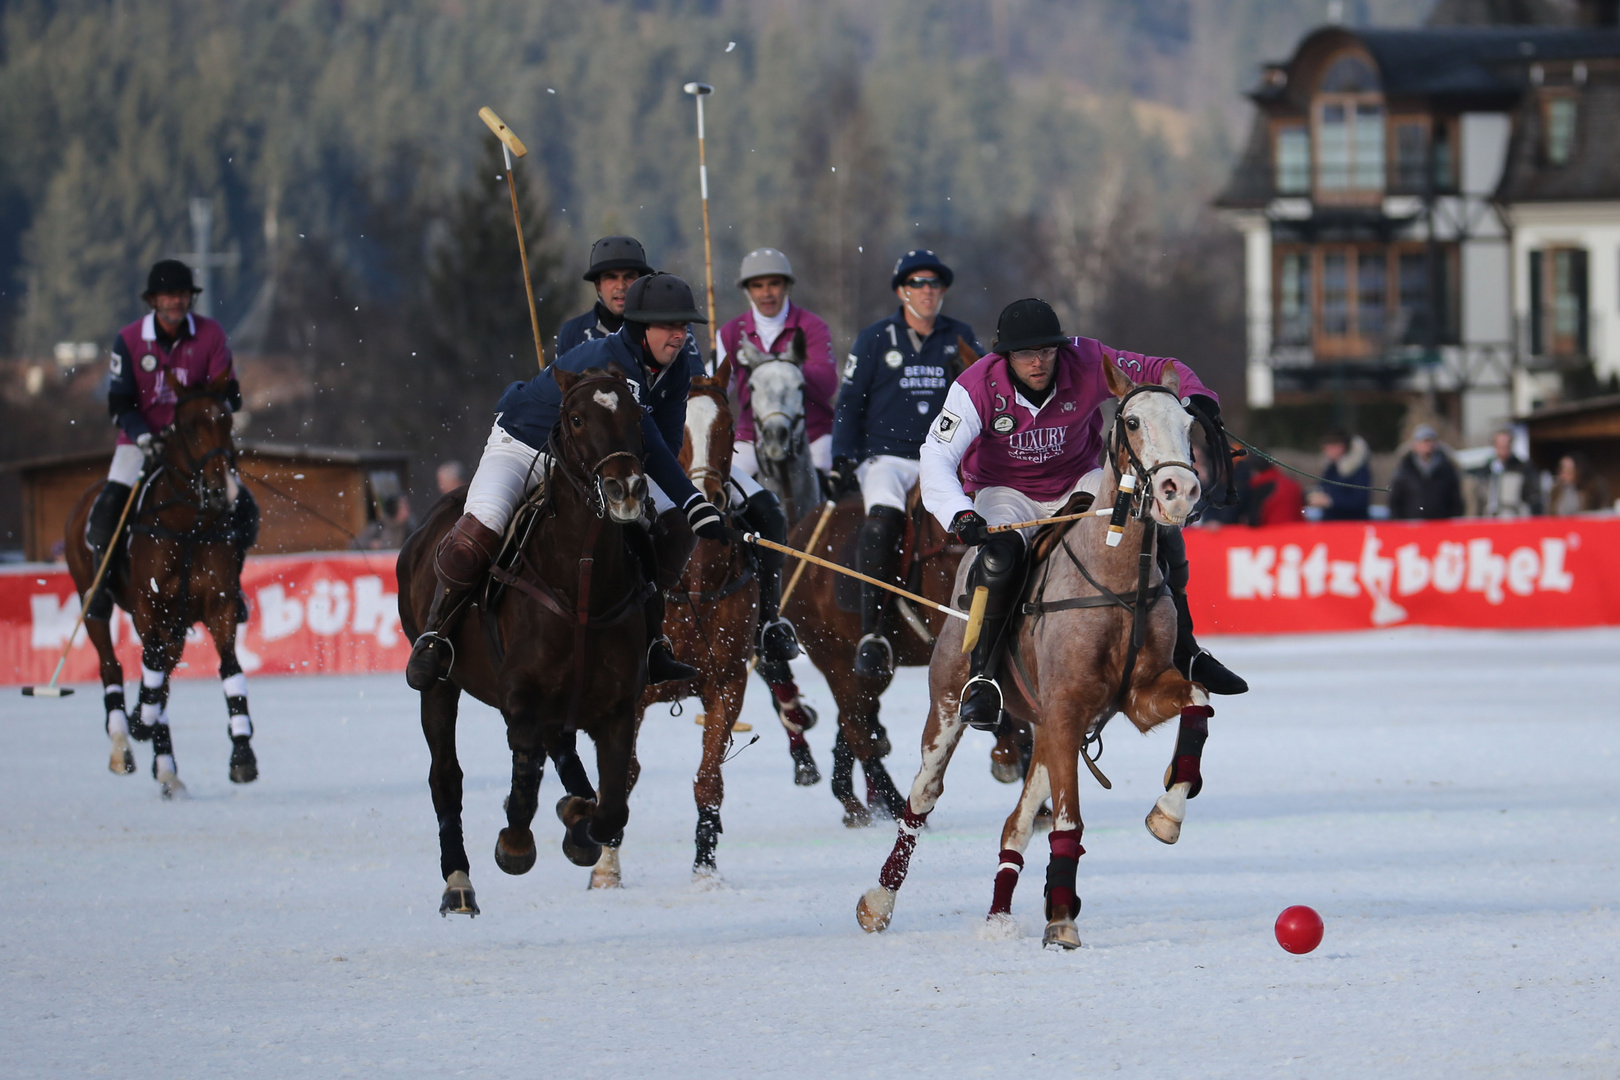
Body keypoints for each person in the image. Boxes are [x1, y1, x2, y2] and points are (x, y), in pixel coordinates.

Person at [919, 298, 1246, 730]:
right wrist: (960, 514)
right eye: (1025, 354)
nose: (1039, 362)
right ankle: (983, 679)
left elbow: (1161, 367)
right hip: (1006, 491)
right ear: (1004, 355)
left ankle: (1187, 650)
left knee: (1157, 528)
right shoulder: (974, 386)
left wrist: (1199, 396)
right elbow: (936, 454)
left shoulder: (1089, 358)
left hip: (1079, 482)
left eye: (1048, 351)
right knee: (997, 559)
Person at [405, 273, 730, 691]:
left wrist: (684, 506)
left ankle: (651, 641)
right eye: (670, 326)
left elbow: (663, 443)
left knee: (674, 529)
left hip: (587, 461)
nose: (680, 335)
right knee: (482, 527)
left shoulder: (679, 365)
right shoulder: (611, 361)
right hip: (523, 444)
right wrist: (693, 498)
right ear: (640, 328)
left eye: (684, 326)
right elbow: (647, 433)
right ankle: (436, 635)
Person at [831, 249, 983, 678]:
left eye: (935, 284)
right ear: (902, 291)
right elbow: (850, 402)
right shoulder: (875, 338)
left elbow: (988, 390)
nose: (928, 291)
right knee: (883, 521)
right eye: (918, 283)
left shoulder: (961, 335)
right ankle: (873, 631)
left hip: (947, 455)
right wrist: (841, 458)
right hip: (889, 457)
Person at [85, 259, 257, 621]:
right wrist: (143, 435)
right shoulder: (129, 340)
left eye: (182, 295)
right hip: (140, 441)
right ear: (153, 300)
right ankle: (101, 589)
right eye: (168, 296)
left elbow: (229, 392)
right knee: (106, 512)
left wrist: (214, 413)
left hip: (197, 446)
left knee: (243, 509)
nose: (176, 302)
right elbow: (119, 402)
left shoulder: (211, 334)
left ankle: (232, 586)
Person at [718, 248, 839, 478]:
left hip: (812, 433)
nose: (767, 293)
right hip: (752, 436)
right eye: (757, 285)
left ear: (787, 286)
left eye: (774, 284)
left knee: (834, 487)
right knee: (728, 484)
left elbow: (827, 385)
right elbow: (718, 388)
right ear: (747, 291)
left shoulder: (812, 326)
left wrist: (786, 371)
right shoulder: (730, 333)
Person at [554, 236, 655, 357]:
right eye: (611, 277)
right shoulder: (572, 333)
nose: (621, 286)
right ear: (598, 285)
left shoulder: (661, 329)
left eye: (629, 276)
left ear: (641, 282)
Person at [1387, 424, 1464, 520]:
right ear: (1415, 445)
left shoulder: (1447, 470)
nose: (1428, 445)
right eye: (1424, 441)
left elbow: (1456, 501)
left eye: (1430, 441)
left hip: (1440, 525)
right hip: (1412, 526)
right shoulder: (1404, 470)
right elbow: (1395, 502)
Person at [1467, 427, 1541, 518]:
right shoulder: (1485, 470)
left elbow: (1532, 497)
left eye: (1506, 444)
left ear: (1511, 444)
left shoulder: (1522, 468)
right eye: (1499, 444)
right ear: (1494, 445)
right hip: (1489, 518)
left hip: (1513, 518)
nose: (1503, 447)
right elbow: (1478, 499)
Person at [1306, 430, 1371, 520]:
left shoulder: (1359, 471)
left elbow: (1359, 501)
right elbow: (1323, 487)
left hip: (1351, 525)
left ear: (1341, 447)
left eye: (1329, 447)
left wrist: (1329, 501)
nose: (1326, 451)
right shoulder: (1331, 469)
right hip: (1331, 525)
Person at [1243, 460, 1304, 526]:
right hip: (1295, 529)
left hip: (1272, 529)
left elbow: (1255, 518)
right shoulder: (1291, 483)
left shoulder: (1262, 484)